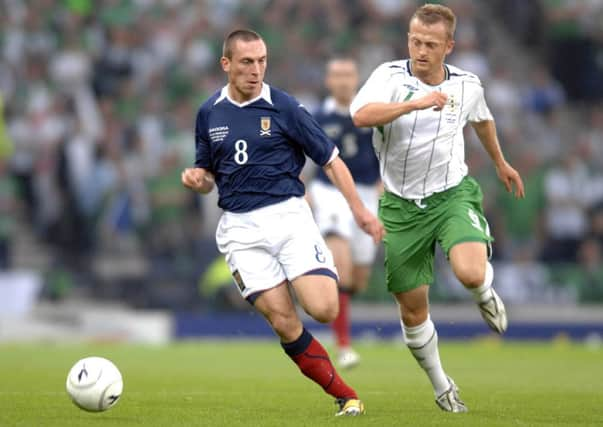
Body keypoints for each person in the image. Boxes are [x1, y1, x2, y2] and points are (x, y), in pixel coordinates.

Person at [181, 29, 384, 417]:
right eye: (246, 62)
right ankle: (346, 396)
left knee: (323, 309)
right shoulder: (209, 112)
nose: (256, 70)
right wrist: (197, 179)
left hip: (289, 217)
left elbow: (331, 160)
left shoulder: (284, 106)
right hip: (240, 230)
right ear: (226, 64)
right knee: (283, 321)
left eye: (262, 61)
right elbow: (207, 174)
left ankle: (302, 273)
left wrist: (359, 209)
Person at [350, 4, 525, 413]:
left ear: (449, 45)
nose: (420, 50)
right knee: (413, 309)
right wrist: (414, 104)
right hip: (399, 206)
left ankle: (483, 291)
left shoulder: (467, 84)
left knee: (469, 271)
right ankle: (442, 385)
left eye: (430, 44)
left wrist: (500, 163)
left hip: (451, 195)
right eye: (415, 41)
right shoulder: (388, 76)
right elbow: (360, 115)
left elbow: (481, 120)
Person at [307, 58, 381, 369]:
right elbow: (297, 155)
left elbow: (388, 153)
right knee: (342, 267)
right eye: (336, 74)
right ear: (328, 80)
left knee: (358, 279)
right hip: (330, 193)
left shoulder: (370, 114)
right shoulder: (317, 117)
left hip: (366, 194)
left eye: (348, 74)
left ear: (357, 79)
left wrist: (383, 186)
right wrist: (304, 190)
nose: (342, 80)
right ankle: (344, 346)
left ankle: (333, 312)